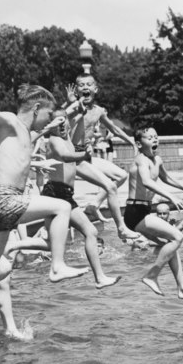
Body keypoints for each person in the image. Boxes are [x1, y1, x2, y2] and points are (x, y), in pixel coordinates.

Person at [0, 82, 89, 305]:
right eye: (48, 113)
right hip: (5, 198)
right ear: (36, 108)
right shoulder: (11, 121)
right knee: (61, 207)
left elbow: (16, 154)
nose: (49, 117)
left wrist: (36, 161)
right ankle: (57, 266)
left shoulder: (23, 132)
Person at [43, 109, 121, 288]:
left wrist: (78, 105)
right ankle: (99, 277)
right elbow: (65, 156)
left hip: (65, 194)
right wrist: (84, 155)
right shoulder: (54, 141)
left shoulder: (67, 137)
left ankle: (14, 248)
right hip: (55, 193)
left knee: (53, 242)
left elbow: (78, 115)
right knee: (89, 232)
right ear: (52, 127)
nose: (61, 125)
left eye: (64, 122)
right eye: (57, 123)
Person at [125, 126, 183, 298]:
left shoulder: (157, 159)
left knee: (171, 244)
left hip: (144, 209)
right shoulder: (141, 160)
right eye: (149, 137)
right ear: (139, 144)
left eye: (156, 136)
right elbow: (146, 181)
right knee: (178, 236)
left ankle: (182, 287)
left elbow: (166, 178)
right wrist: (172, 197)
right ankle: (151, 275)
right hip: (134, 211)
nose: (154, 139)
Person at [65, 74, 140, 240]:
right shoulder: (73, 108)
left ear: (95, 89)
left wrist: (132, 142)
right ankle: (121, 228)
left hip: (86, 157)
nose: (85, 87)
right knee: (110, 187)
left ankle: (94, 205)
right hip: (73, 157)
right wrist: (72, 104)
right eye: (81, 85)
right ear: (77, 90)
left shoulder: (99, 111)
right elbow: (63, 123)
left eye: (89, 84)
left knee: (121, 176)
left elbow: (114, 128)